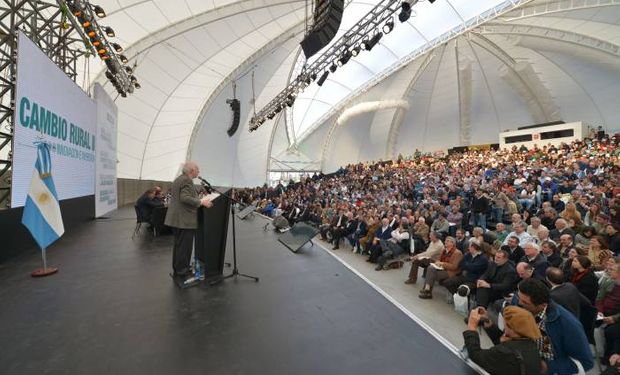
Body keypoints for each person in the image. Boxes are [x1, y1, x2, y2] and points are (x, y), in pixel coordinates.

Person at [513, 278, 594, 374]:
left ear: (542, 305)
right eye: (519, 298)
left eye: (525, 303)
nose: (519, 304)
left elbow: (586, 362)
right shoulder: (521, 304)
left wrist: (547, 367)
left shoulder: (567, 323)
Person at [164, 161, 213, 280]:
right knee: (184, 248)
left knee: (179, 246)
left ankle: (178, 269)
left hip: (177, 219)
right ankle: (183, 272)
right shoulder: (187, 180)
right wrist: (201, 202)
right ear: (191, 170)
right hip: (184, 220)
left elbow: (184, 197)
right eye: (198, 170)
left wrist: (198, 199)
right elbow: (185, 198)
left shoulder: (179, 179)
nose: (199, 172)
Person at [464, 306, 543, 375]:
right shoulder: (531, 345)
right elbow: (508, 347)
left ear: (512, 327)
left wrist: (472, 327)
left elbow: (475, 355)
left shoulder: (504, 353)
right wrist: (489, 325)